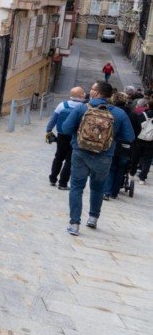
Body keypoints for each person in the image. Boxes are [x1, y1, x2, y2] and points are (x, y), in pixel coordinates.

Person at [60, 81, 135, 235]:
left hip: (80, 153)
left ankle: (74, 224)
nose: (90, 90)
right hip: (104, 156)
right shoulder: (119, 113)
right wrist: (111, 137)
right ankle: (93, 218)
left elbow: (65, 128)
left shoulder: (82, 108)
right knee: (98, 187)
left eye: (92, 89)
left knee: (76, 187)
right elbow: (130, 136)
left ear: (96, 93)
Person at [45, 87, 86, 189]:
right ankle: (63, 183)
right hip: (75, 136)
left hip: (61, 135)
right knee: (69, 160)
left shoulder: (62, 105)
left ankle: (53, 178)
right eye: (83, 93)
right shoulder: (84, 108)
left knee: (58, 157)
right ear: (81, 96)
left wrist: (49, 130)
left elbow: (53, 119)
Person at [104, 92, 139, 200]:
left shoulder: (111, 112)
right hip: (127, 145)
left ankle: (107, 192)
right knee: (121, 169)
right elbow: (137, 130)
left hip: (113, 142)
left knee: (111, 168)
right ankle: (115, 192)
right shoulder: (133, 114)